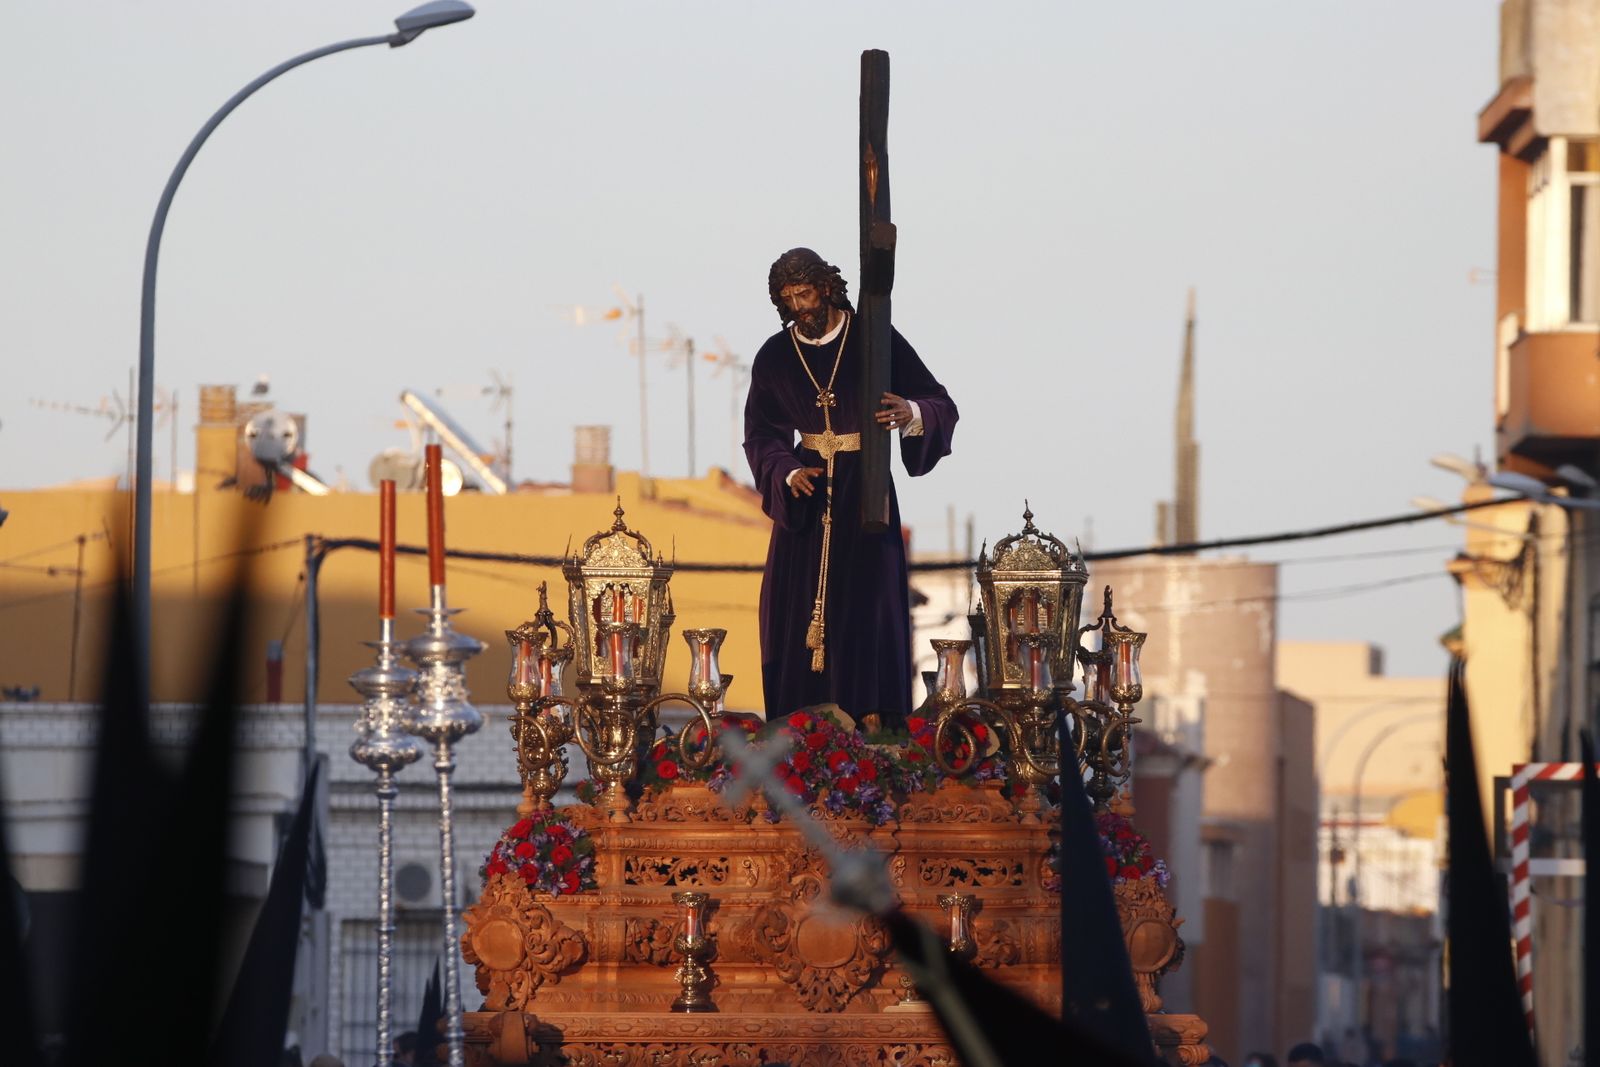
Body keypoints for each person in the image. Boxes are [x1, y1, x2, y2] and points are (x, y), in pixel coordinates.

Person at [744, 247, 957, 726]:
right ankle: (800, 729)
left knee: (868, 606)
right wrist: (784, 471)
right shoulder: (776, 355)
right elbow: (760, 433)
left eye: (805, 293)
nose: (800, 307)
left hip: (867, 489)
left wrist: (910, 413)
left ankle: (871, 721)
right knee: (793, 611)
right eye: (788, 298)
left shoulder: (873, 337)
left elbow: (938, 401)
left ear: (826, 287)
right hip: (807, 495)